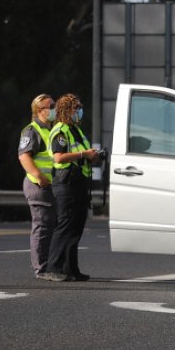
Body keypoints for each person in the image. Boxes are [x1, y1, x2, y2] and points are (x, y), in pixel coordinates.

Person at [39, 93, 99, 282]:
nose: (79, 111)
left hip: (79, 183)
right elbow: (59, 158)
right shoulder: (60, 130)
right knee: (65, 226)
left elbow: (81, 154)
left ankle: (70, 268)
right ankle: (53, 267)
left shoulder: (75, 130)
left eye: (80, 108)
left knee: (76, 227)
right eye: (76, 108)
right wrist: (83, 155)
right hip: (66, 184)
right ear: (66, 110)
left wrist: (92, 156)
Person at [18, 94, 57, 278]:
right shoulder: (32, 130)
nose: (55, 109)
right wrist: (40, 177)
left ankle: (51, 264)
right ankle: (41, 268)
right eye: (51, 106)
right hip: (38, 185)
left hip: (50, 185)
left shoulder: (52, 130)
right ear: (40, 110)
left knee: (51, 226)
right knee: (42, 226)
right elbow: (24, 156)